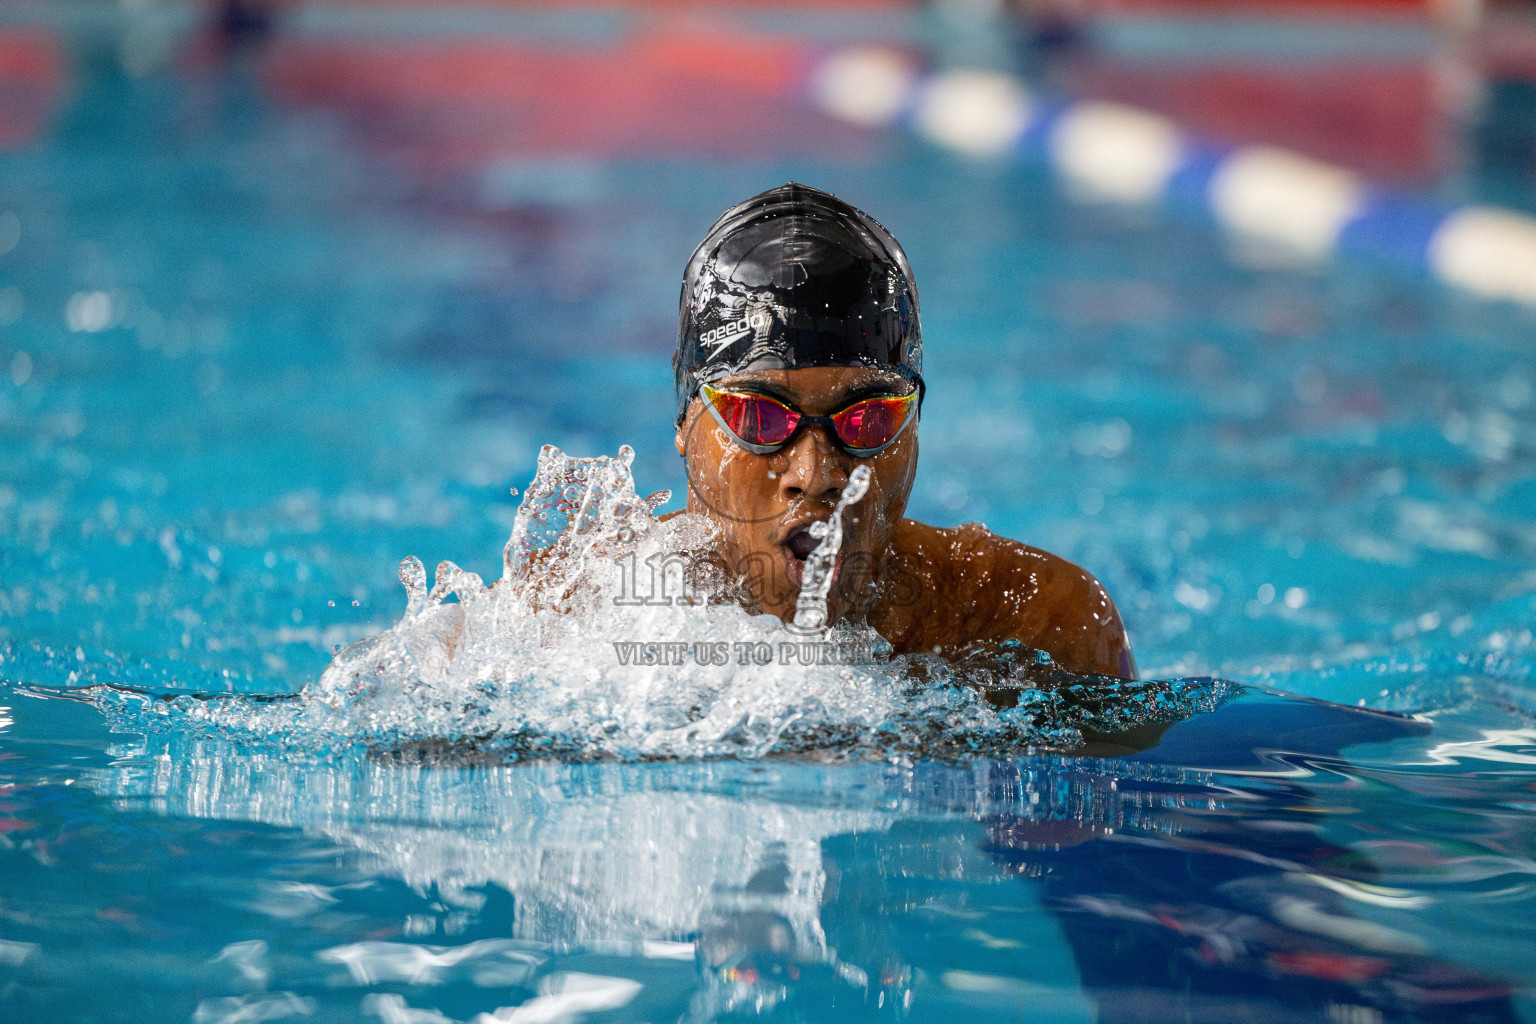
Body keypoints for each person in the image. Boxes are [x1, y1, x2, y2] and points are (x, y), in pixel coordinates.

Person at [672, 183, 1135, 679]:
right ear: (685, 420)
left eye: (867, 420)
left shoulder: (1035, 624)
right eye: (760, 417)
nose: (816, 473)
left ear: (914, 425)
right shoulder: (587, 615)